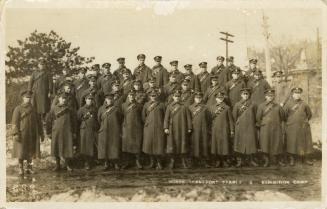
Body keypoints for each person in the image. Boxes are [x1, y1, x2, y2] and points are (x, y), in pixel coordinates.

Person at [11, 90, 43, 175]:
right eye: (26, 98)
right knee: (21, 152)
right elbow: (14, 122)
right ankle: (20, 168)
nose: (28, 99)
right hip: (22, 133)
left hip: (31, 134)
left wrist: (41, 133)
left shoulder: (33, 109)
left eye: (29, 98)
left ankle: (29, 167)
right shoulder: (18, 109)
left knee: (30, 151)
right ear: (23, 98)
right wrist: (15, 133)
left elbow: (38, 122)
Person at [46, 92, 77, 172]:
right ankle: (57, 165)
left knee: (67, 148)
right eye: (62, 98)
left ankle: (67, 165)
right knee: (56, 148)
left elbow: (74, 122)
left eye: (64, 98)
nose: (63, 100)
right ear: (58, 99)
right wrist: (49, 132)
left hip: (67, 132)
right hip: (57, 132)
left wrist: (74, 132)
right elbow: (48, 121)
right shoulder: (54, 109)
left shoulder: (70, 109)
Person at [284, 87, 314, 166]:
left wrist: (304, 121)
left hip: (303, 127)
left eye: (299, 93)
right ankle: (292, 159)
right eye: (295, 93)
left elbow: (309, 114)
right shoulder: (288, 104)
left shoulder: (304, 104)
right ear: (292, 94)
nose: (297, 95)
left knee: (304, 142)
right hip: (292, 127)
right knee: (292, 143)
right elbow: (284, 115)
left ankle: (305, 159)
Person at [256, 89, 285, 167]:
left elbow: (282, 116)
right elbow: (258, 118)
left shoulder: (278, 106)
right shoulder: (261, 106)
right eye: (268, 96)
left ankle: (278, 160)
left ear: (274, 97)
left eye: (272, 96)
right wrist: (264, 124)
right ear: (265, 96)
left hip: (276, 128)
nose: (270, 97)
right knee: (265, 144)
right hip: (265, 128)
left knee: (277, 144)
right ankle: (266, 160)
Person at [164, 90, 192, 169]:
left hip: (182, 128)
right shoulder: (169, 106)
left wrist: (189, 127)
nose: (177, 98)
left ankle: (183, 161)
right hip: (172, 128)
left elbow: (188, 118)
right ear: (173, 97)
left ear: (180, 97)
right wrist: (166, 127)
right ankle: (172, 161)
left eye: (178, 96)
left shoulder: (184, 106)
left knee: (182, 145)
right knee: (172, 144)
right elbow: (166, 118)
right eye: (175, 96)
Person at [233, 88, 258, 167]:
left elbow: (256, 115)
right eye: (244, 94)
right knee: (240, 144)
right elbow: (234, 116)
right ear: (241, 95)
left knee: (250, 144)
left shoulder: (253, 104)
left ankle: (250, 160)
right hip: (240, 127)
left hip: (250, 127)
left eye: (247, 94)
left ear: (249, 95)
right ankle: (240, 161)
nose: (245, 95)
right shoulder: (237, 104)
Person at [142, 89, 166, 170]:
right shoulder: (146, 105)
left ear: (157, 96)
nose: (153, 97)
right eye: (152, 96)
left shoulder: (162, 105)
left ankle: (159, 163)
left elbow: (165, 116)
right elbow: (143, 116)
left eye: (155, 96)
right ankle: (152, 162)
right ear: (149, 97)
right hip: (149, 128)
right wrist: (148, 123)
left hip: (159, 128)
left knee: (159, 146)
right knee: (149, 146)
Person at [98, 93, 122, 170]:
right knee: (105, 147)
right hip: (104, 130)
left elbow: (120, 119)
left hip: (114, 130)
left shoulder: (117, 109)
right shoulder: (101, 109)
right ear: (105, 100)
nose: (110, 101)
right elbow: (99, 119)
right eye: (108, 99)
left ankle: (115, 163)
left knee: (114, 147)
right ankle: (106, 163)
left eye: (111, 99)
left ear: (113, 100)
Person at [209, 92, 234, 168]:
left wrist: (232, 130)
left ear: (223, 98)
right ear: (216, 99)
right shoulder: (212, 108)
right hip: (215, 129)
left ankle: (224, 161)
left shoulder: (227, 108)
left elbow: (230, 120)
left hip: (224, 129)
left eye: (221, 98)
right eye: (218, 98)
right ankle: (218, 161)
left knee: (224, 146)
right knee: (216, 146)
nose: (220, 99)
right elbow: (210, 120)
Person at [122, 90, 144, 169]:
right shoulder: (124, 105)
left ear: (135, 96)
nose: (131, 97)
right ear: (128, 96)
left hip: (136, 128)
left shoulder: (139, 105)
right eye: (130, 95)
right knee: (127, 146)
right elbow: (121, 117)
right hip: (127, 128)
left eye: (133, 95)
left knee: (137, 145)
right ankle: (127, 162)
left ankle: (138, 162)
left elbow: (142, 117)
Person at [188, 92, 211, 168]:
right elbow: (189, 119)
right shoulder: (190, 108)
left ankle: (204, 162)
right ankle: (194, 162)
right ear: (194, 99)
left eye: (200, 98)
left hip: (203, 129)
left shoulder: (205, 107)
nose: (198, 99)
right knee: (194, 144)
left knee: (204, 145)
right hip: (194, 129)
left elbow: (208, 119)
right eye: (197, 98)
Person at [77, 94, 99, 170]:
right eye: (88, 99)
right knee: (85, 146)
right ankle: (86, 162)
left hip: (93, 129)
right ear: (85, 100)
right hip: (85, 130)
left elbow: (97, 118)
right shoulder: (82, 109)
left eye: (91, 99)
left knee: (92, 146)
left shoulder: (95, 109)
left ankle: (92, 161)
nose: (89, 100)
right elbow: (78, 119)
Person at [28, 58, 53, 124]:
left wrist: (50, 92)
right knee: (35, 106)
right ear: (38, 65)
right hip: (36, 92)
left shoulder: (48, 73)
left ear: (45, 65)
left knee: (44, 106)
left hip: (44, 92)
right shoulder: (34, 73)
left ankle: (44, 119)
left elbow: (50, 83)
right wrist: (29, 91)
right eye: (40, 64)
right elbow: (30, 82)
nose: (42, 66)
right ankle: (37, 119)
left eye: (43, 64)